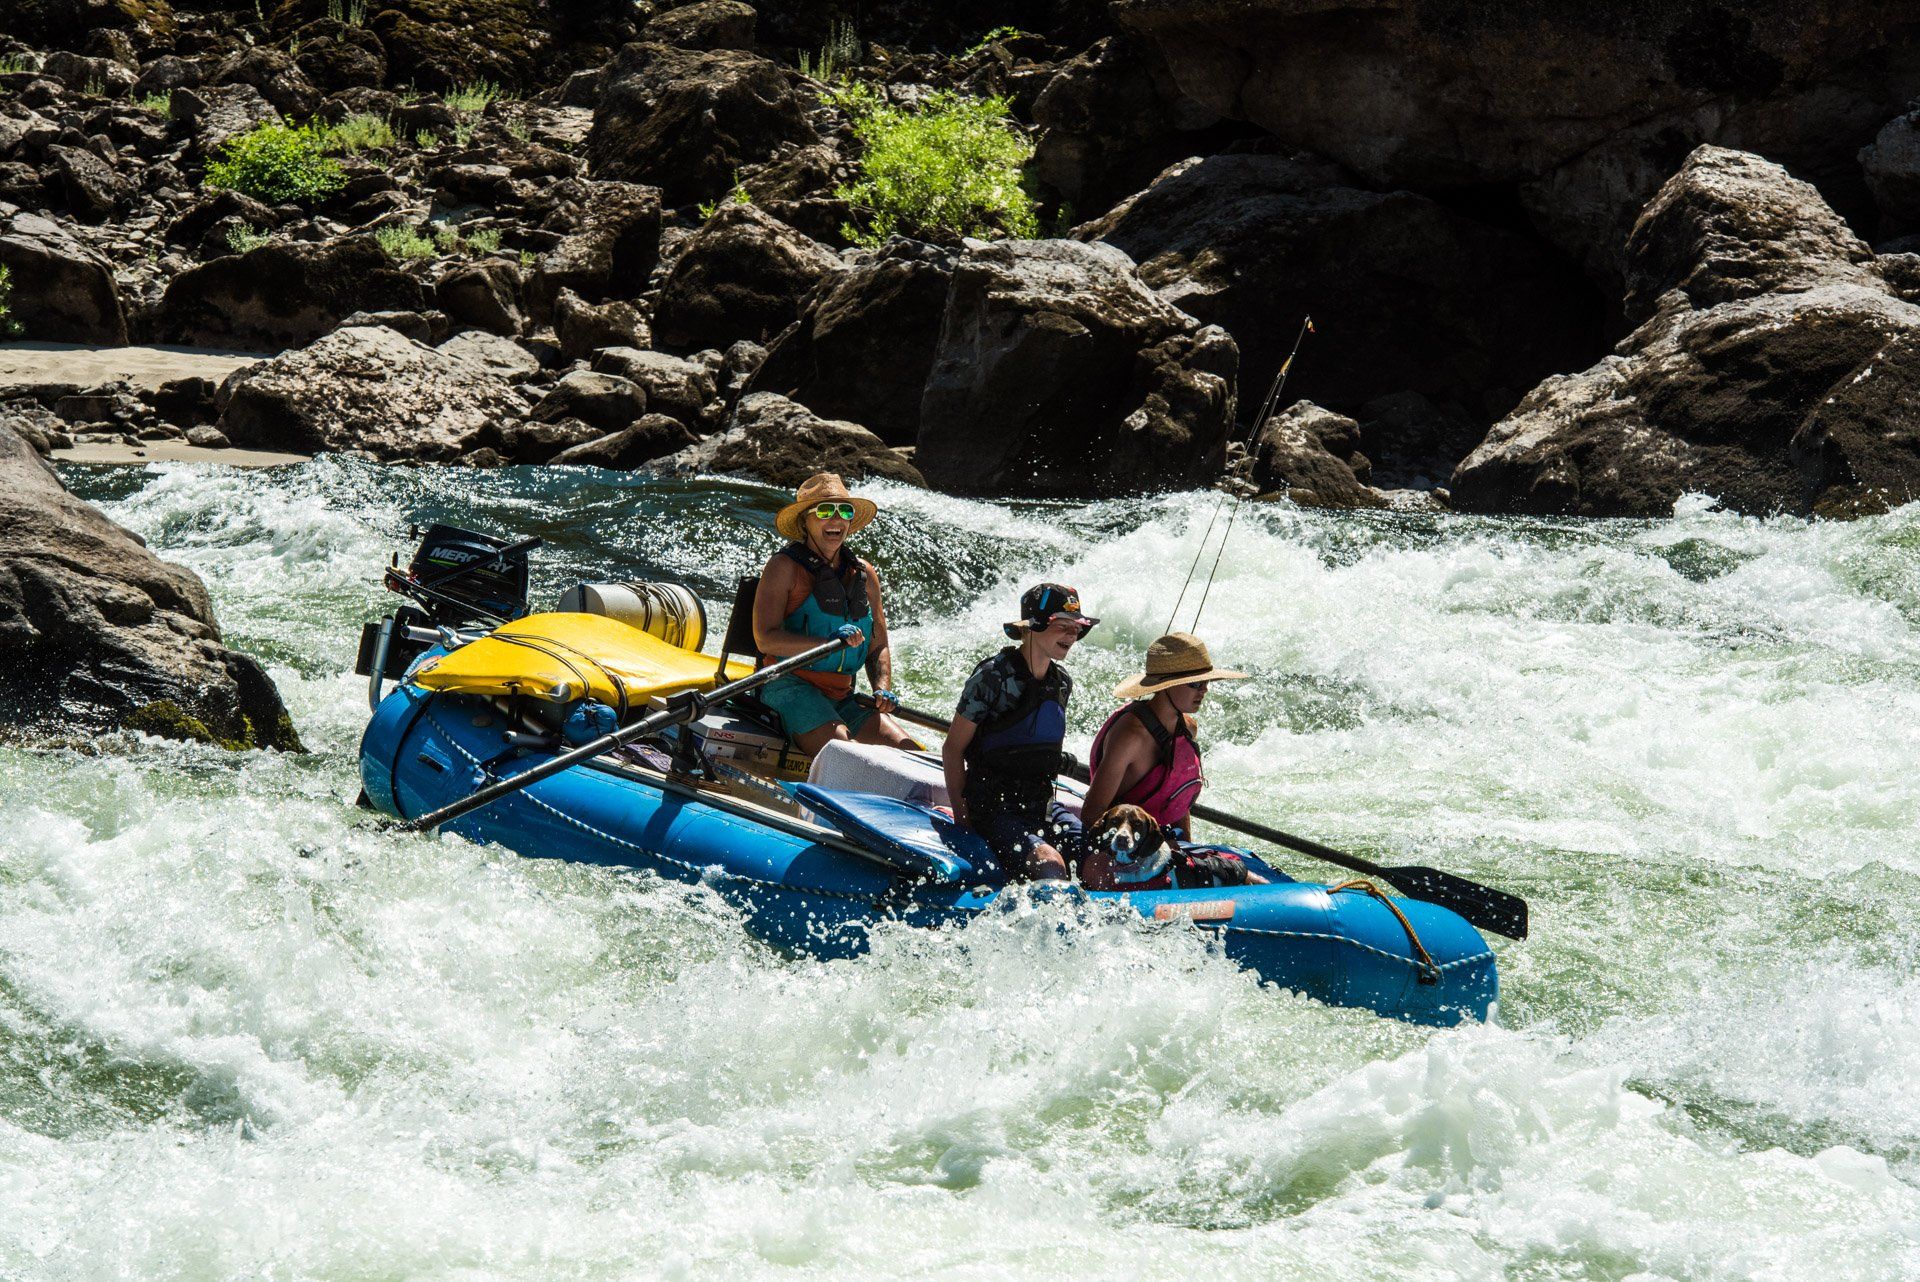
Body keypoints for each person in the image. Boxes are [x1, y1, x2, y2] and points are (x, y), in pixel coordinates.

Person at [1079, 632, 1267, 888]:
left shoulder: (1187, 728)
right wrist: (1151, 852)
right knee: (1241, 877)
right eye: (1195, 684)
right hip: (1131, 845)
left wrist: (1186, 846)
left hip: (1163, 839)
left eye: (1205, 683)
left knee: (1236, 869)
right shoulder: (1130, 736)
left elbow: (1176, 796)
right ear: (1166, 685)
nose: (1204, 690)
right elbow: (1091, 813)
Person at [942, 583, 1097, 881]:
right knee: (1051, 864)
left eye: (1076, 628)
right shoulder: (992, 677)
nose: (1071, 636)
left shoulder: (1062, 682)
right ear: (1033, 626)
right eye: (1062, 626)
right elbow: (952, 750)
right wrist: (964, 823)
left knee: (1101, 862)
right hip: (993, 810)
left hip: (1042, 807)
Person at [753, 472, 915, 754]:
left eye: (845, 511)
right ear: (806, 520)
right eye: (825, 511)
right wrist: (825, 644)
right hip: (790, 687)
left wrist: (881, 688)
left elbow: (878, 647)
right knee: (848, 755)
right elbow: (765, 640)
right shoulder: (783, 567)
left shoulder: (865, 573)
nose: (836, 520)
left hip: (842, 696)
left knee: (910, 752)